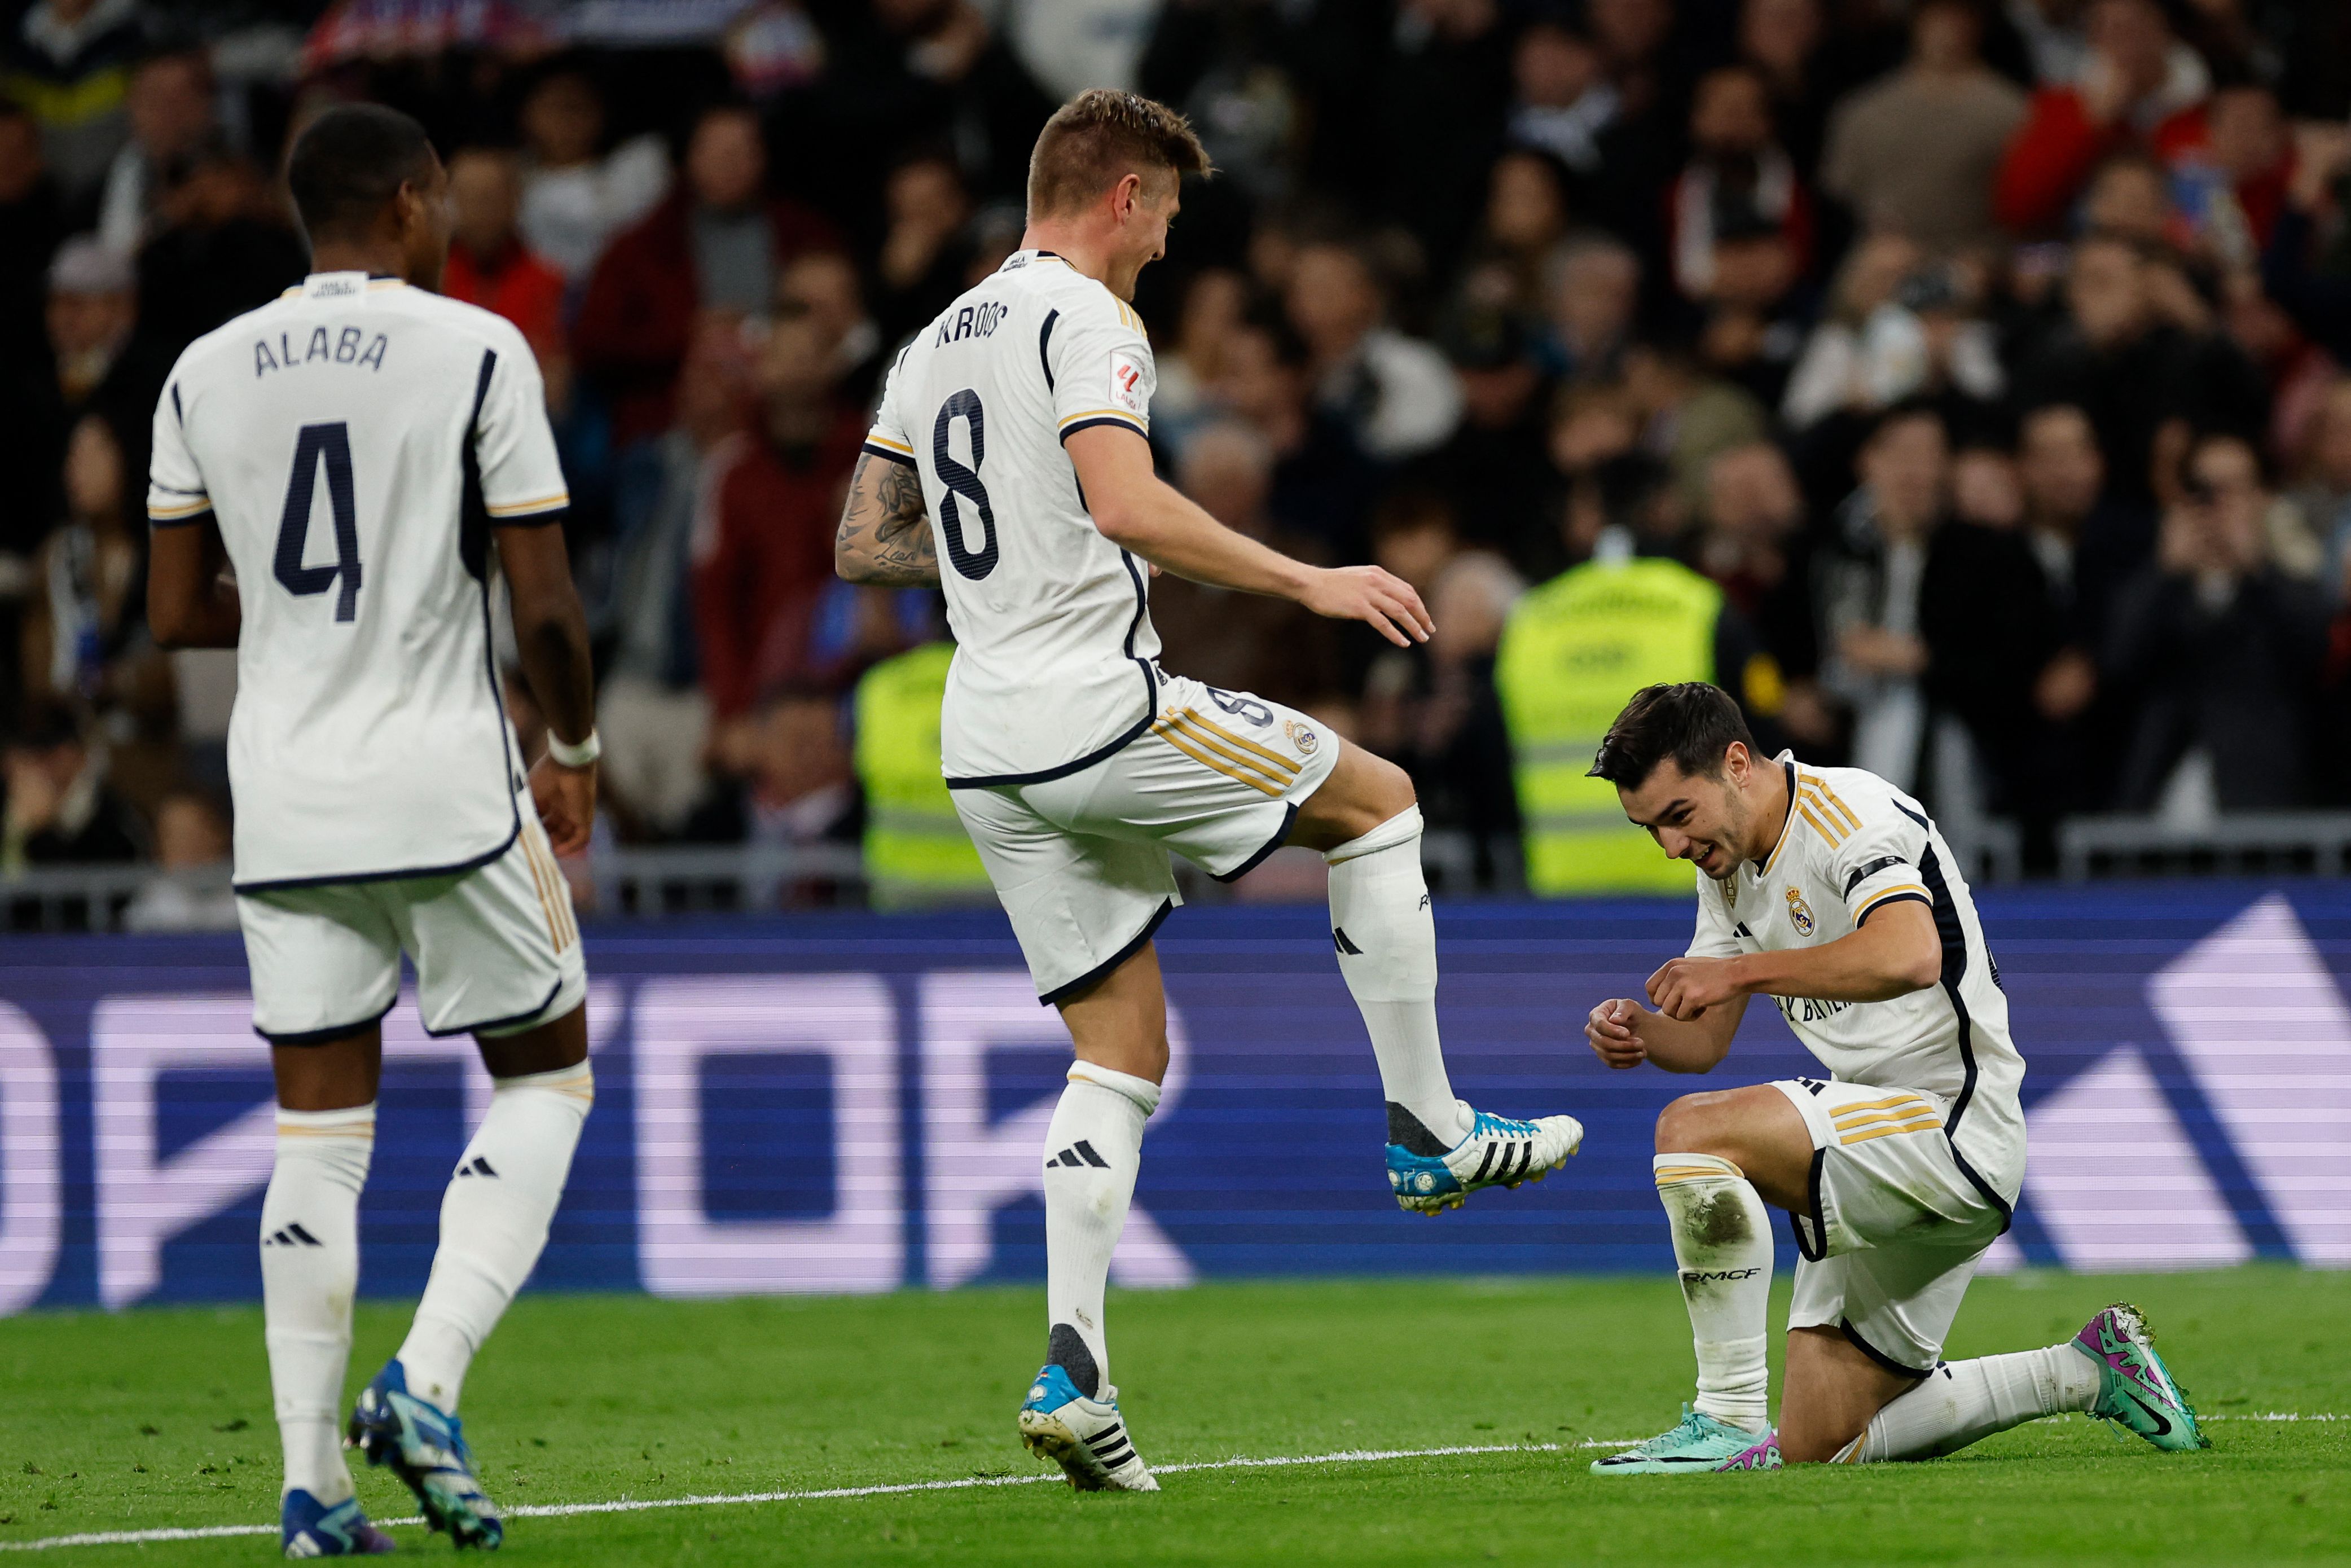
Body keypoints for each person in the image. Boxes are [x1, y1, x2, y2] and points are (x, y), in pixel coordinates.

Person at [834, 88, 1581, 1492]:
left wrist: (1004, 551)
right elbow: (1121, 504)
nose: (1165, 249)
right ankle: (1427, 1127)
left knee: (1117, 1054)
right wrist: (1311, 577)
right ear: (1120, 195)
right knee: (1382, 798)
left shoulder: (935, 340)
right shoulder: (1087, 320)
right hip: (1093, 706)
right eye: (1165, 217)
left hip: (984, 744)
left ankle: (1074, 1368)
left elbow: (865, 541)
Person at [143, 104, 600, 1556]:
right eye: (446, 199)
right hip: (444, 780)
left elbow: (168, 615)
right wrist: (575, 746)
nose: (454, 221)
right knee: (547, 1078)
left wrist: (283, 619)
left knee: (319, 1136)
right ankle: (425, 1377)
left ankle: (309, 1490)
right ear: (408, 201)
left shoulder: (200, 371)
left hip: (284, 796)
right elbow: (541, 598)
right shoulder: (474, 349)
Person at [1578, 680, 2208, 1472]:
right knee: (1819, 1446)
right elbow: (1703, 1045)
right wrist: (1642, 1033)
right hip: (1877, 1139)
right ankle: (2082, 1371)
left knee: (1691, 1134)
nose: (1672, 847)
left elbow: (1909, 953)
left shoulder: (1852, 813)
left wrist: (1741, 976)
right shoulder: (1726, 865)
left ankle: (1727, 1415)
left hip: (1949, 1127)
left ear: (1736, 763)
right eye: (1651, 830)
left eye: (1678, 816)